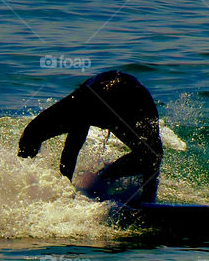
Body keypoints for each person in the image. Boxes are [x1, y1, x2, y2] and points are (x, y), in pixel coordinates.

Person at [17, 70, 162, 204]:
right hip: (93, 93)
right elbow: (71, 149)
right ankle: (16, 184)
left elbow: (155, 157)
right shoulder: (87, 103)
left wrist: (148, 203)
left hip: (130, 97)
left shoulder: (142, 110)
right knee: (30, 135)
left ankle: (104, 177)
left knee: (151, 156)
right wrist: (64, 190)